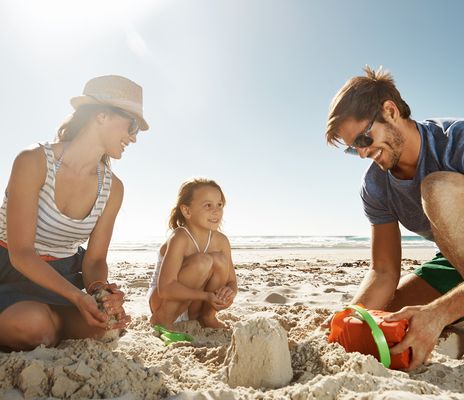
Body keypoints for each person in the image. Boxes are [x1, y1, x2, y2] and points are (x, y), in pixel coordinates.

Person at [325, 66, 464, 370]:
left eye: (363, 139)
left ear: (390, 111)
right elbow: (384, 271)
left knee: (436, 189)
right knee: (384, 321)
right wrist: (346, 320)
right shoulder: (376, 185)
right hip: (454, 263)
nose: (362, 154)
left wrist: (439, 313)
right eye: (352, 150)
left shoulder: (456, 142)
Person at [0, 75, 149, 351]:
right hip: (10, 267)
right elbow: (21, 252)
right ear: (101, 115)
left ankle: (53, 321)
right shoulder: (32, 161)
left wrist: (99, 291)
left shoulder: (113, 188)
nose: (133, 138)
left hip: (63, 273)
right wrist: (77, 298)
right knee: (35, 327)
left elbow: (94, 259)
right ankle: (48, 322)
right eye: (132, 126)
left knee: (105, 325)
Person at [148, 178, 237, 330]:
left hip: (192, 306)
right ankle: (162, 320)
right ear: (187, 211)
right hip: (165, 303)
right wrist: (206, 296)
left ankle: (206, 317)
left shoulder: (221, 241)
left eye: (219, 205)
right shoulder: (180, 237)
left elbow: (231, 281)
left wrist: (229, 294)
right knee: (202, 261)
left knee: (220, 261)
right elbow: (165, 288)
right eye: (208, 205)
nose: (216, 211)